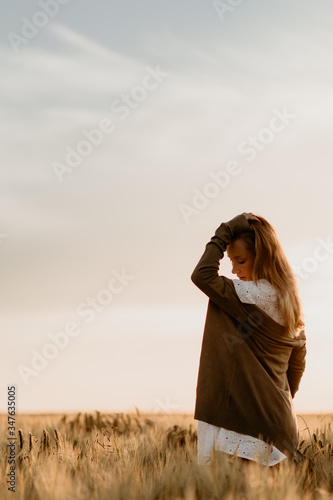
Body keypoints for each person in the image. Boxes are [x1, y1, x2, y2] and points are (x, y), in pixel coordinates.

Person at [191, 212, 306, 466]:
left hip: (243, 425)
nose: (234, 270)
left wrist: (225, 230)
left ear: (262, 257)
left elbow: (203, 275)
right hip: (281, 425)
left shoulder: (247, 295)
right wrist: (275, 401)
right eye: (231, 261)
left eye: (240, 260)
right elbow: (296, 367)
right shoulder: (292, 306)